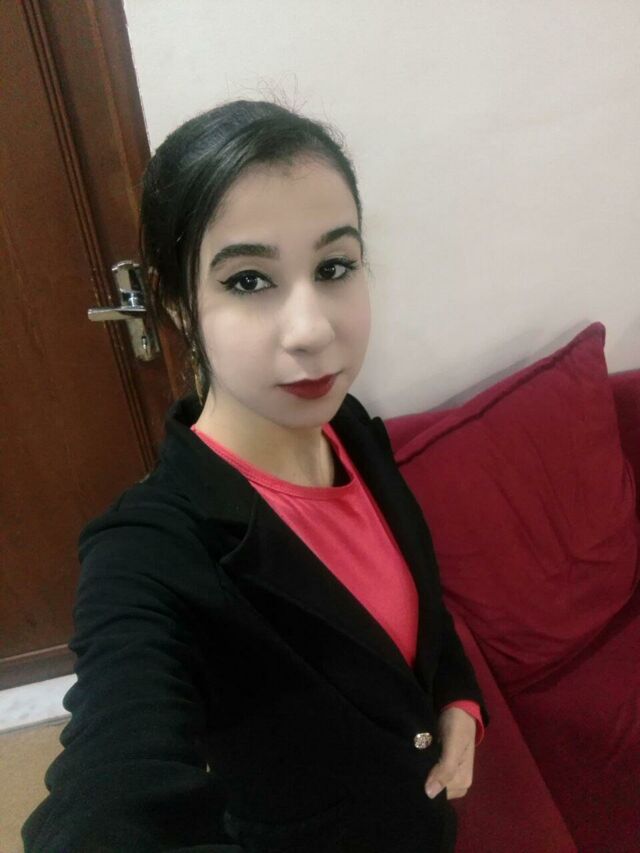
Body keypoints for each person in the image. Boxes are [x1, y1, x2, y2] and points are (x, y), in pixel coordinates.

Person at [22, 98, 489, 853]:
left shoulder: (348, 427)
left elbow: (413, 611)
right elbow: (111, 790)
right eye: (247, 280)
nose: (312, 330)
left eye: (334, 267)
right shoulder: (150, 550)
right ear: (177, 303)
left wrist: (457, 693)